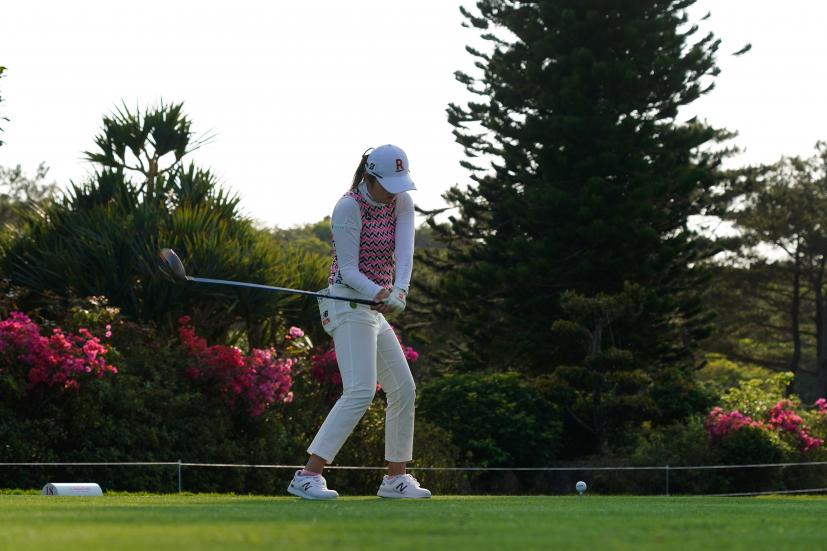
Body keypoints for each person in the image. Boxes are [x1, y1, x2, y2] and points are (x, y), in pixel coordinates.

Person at [287, 144, 431, 500]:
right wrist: (379, 292)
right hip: (347, 301)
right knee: (361, 389)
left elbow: (405, 253)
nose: (394, 192)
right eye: (388, 185)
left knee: (403, 389)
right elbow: (348, 269)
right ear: (370, 177)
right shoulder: (348, 206)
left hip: (374, 307)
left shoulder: (402, 201)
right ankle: (307, 476)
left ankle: (395, 479)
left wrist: (400, 290)